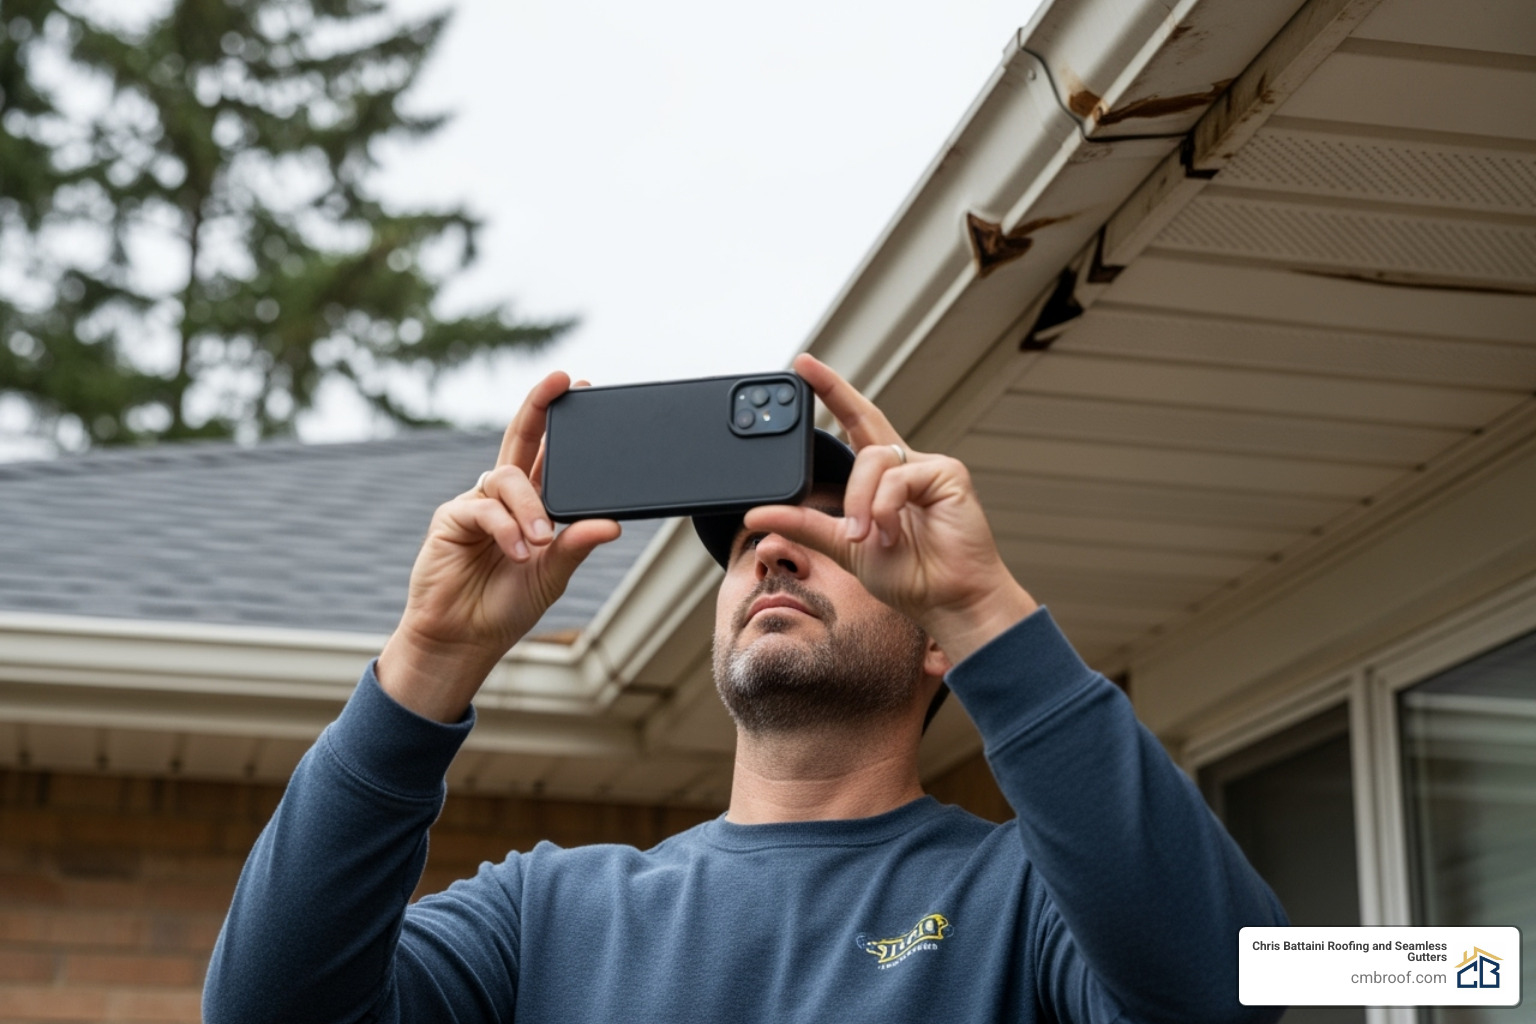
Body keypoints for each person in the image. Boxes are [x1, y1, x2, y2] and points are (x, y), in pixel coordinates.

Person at [204, 353, 1286, 1023]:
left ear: (936, 642)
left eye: (829, 529)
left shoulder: (1029, 899)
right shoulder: (547, 913)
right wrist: (430, 657)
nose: (772, 550)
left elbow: (1227, 991)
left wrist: (989, 606)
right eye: (749, 541)